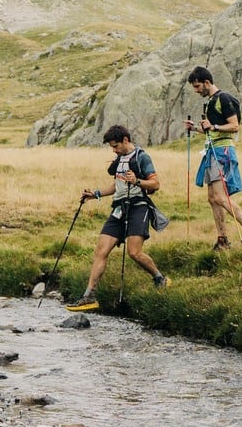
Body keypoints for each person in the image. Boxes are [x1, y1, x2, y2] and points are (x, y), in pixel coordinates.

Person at [66, 125, 169, 312]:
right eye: (112, 147)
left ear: (125, 140)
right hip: (119, 209)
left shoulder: (142, 157)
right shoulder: (119, 159)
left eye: (116, 146)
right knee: (101, 250)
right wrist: (95, 194)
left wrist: (136, 181)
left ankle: (160, 278)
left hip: (138, 207)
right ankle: (89, 296)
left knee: (135, 253)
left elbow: (156, 183)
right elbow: (116, 186)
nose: (114, 150)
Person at [188, 66, 242, 249]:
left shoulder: (224, 98)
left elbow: (234, 126)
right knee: (213, 198)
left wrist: (213, 127)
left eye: (198, 86)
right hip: (212, 150)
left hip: (222, 152)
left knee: (221, 198)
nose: (196, 91)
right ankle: (222, 240)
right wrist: (195, 129)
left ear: (207, 82)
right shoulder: (211, 101)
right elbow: (212, 130)